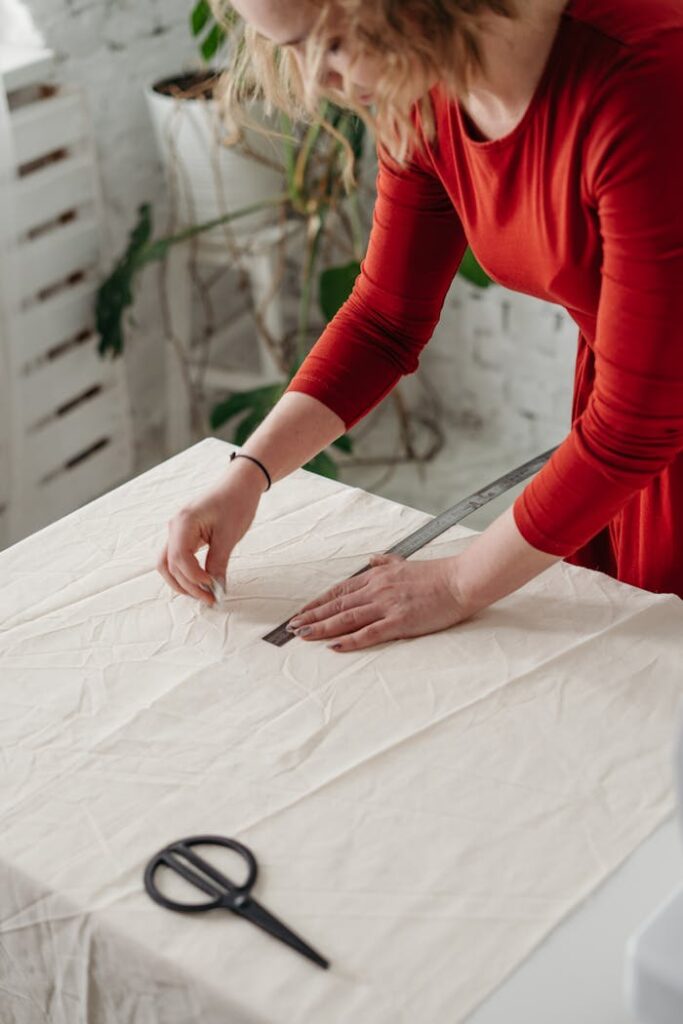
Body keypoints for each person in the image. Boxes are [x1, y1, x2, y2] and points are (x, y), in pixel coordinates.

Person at [158, 0, 683, 652]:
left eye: (331, 43)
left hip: (650, 423)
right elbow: (384, 321)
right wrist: (245, 478)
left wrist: (458, 583)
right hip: (639, 420)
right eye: (285, 46)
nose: (312, 77)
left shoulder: (646, 80)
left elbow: (638, 425)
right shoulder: (427, 86)